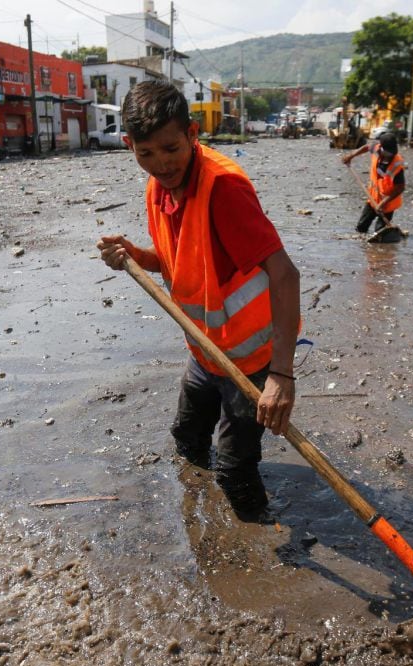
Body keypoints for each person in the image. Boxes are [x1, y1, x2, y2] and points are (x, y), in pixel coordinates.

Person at [96, 80, 301, 520]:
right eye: (146, 153)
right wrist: (136, 257)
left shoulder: (224, 191)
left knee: (234, 469)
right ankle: (196, 514)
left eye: (171, 148)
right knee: (187, 437)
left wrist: (281, 376)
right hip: (205, 351)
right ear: (130, 145)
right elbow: (177, 262)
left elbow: (285, 275)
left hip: (251, 359)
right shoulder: (158, 187)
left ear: (192, 133)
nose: (161, 164)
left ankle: (255, 542)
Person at [341, 131, 405, 235]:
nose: (390, 155)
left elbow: (400, 188)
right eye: (388, 153)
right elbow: (366, 147)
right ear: (381, 149)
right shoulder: (376, 148)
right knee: (361, 228)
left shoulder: (397, 165)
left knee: (379, 232)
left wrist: (383, 203)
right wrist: (351, 156)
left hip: (387, 203)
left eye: (392, 153)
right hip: (373, 198)